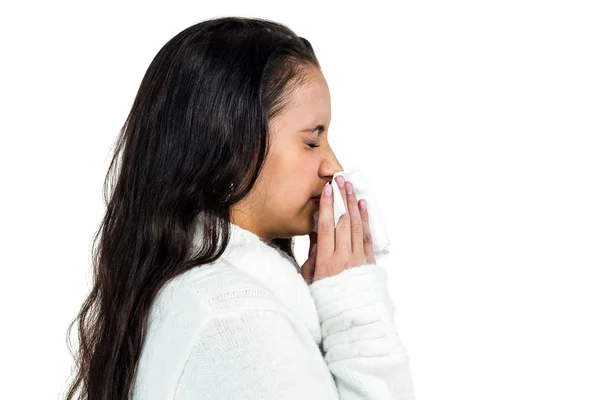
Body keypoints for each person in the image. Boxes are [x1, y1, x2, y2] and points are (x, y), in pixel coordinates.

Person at [65, 16, 415, 400]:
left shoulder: (195, 296)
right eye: (312, 141)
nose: (332, 165)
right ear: (235, 146)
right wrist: (355, 313)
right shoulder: (238, 319)